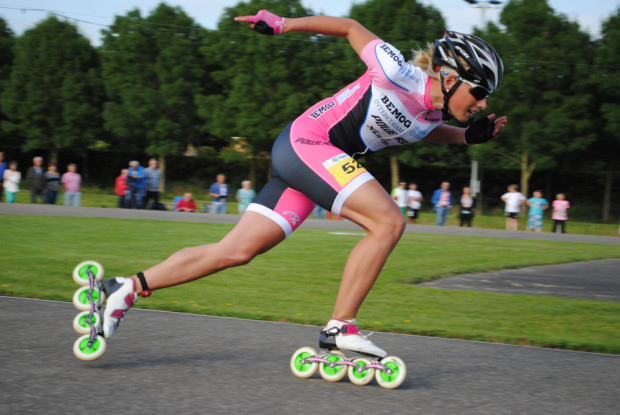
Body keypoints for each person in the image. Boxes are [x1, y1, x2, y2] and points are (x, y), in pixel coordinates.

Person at [96, 10, 506, 358]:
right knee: (388, 223)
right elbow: (348, 26)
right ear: (449, 76)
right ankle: (340, 327)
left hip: (314, 164)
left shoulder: (432, 118)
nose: (484, 103)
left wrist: (469, 137)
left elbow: (421, 130)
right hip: (308, 144)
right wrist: (282, 24)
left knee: (236, 251)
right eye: (480, 91)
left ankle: (125, 288)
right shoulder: (393, 69)